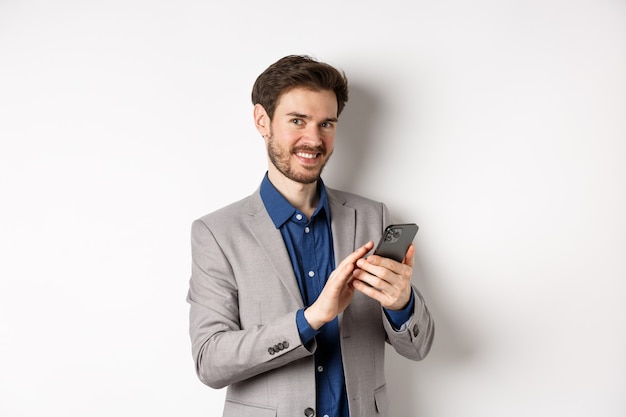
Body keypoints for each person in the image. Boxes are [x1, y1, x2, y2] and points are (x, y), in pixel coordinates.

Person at [187, 54, 434, 417]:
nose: (314, 139)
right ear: (262, 121)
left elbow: (420, 347)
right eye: (297, 121)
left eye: (327, 124)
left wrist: (401, 303)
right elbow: (210, 361)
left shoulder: (371, 216)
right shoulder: (217, 233)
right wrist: (311, 319)